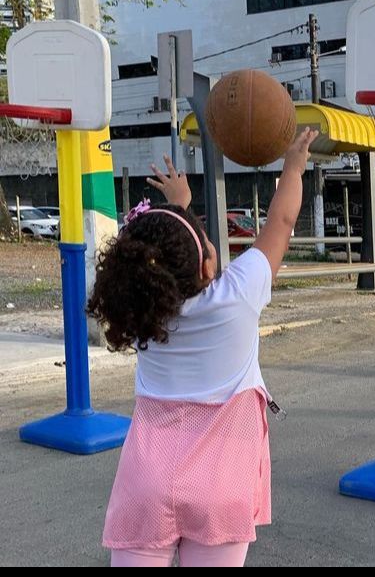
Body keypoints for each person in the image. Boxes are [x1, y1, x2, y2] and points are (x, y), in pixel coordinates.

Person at [87, 127, 318, 567]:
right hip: (221, 485)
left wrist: (178, 209)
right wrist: (292, 166)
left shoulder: (142, 310)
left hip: (146, 482)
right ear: (209, 266)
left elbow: (165, 263)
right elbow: (282, 222)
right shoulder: (239, 296)